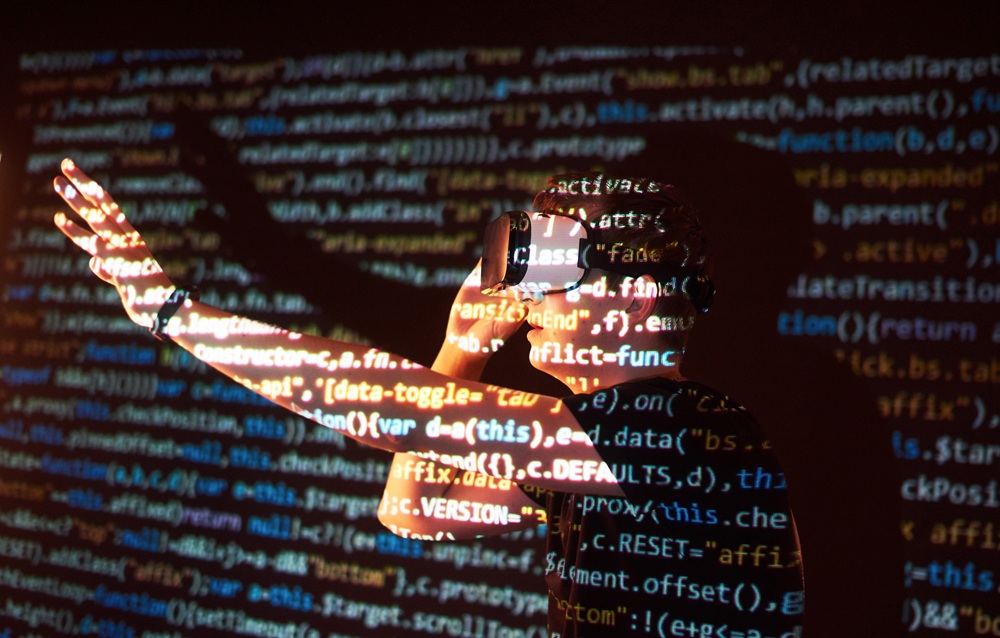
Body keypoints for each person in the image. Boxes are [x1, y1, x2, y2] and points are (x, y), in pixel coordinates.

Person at [53, 160, 805, 636]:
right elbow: (415, 508)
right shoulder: (597, 448)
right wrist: (462, 347)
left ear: (636, 301)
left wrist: (172, 311)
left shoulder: (686, 433)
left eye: (560, 274)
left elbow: (386, 404)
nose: (529, 296)